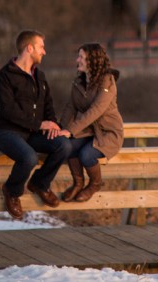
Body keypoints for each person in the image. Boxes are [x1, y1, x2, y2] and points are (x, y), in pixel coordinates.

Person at [0, 29, 70, 219]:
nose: (44, 51)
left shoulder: (40, 76)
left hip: (32, 133)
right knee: (29, 158)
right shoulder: (5, 77)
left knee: (64, 146)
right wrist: (39, 125)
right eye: (41, 47)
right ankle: (12, 191)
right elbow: (9, 111)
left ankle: (40, 184)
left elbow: (48, 105)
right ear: (29, 48)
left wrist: (53, 125)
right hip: (7, 132)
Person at [56, 42, 123, 203]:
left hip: (108, 133)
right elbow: (70, 108)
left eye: (81, 57)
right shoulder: (78, 83)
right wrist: (60, 129)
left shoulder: (107, 81)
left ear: (92, 61)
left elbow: (96, 111)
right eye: (78, 56)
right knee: (68, 146)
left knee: (86, 155)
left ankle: (95, 183)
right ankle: (78, 183)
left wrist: (70, 130)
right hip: (89, 131)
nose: (77, 60)